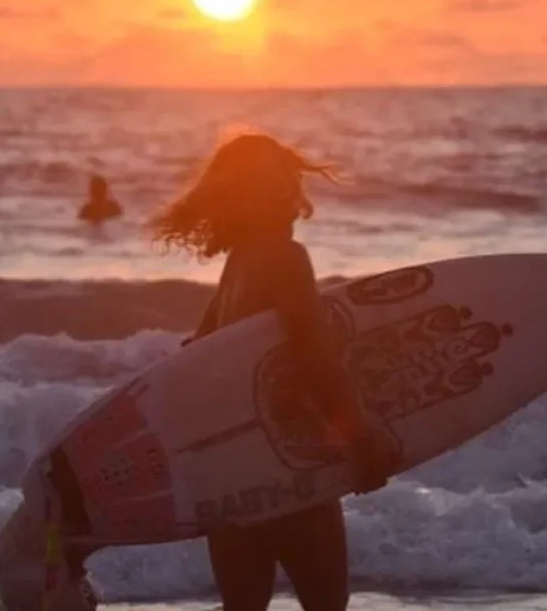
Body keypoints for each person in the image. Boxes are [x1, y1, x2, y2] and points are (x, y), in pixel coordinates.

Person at [153, 133, 393, 611]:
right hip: (288, 468)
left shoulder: (239, 265)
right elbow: (313, 355)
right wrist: (360, 438)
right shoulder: (286, 258)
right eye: (286, 182)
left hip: (232, 477)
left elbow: (193, 360)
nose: (296, 194)